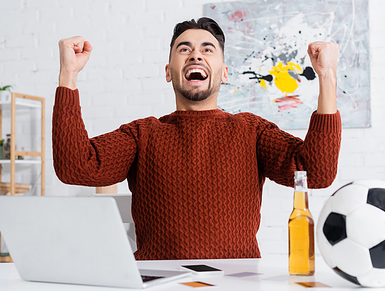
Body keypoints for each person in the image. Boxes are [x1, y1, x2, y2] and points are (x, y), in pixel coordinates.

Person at [53, 17, 341, 260]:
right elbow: (76, 167)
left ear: (224, 73)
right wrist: (69, 73)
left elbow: (316, 173)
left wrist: (327, 76)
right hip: (157, 282)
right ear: (169, 72)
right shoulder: (142, 134)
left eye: (207, 49)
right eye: (184, 49)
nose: (195, 55)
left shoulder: (251, 131)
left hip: (237, 282)